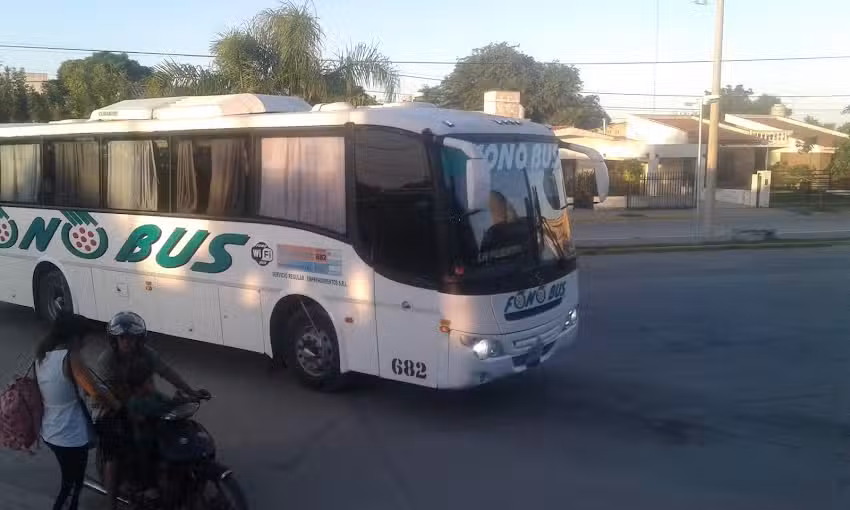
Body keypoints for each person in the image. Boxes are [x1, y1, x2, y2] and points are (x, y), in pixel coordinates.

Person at [96, 311, 208, 510]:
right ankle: (113, 501)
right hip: (110, 408)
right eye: (123, 338)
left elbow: (167, 372)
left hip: (140, 400)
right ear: (114, 340)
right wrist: (132, 407)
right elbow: (110, 392)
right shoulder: (107, 360)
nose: (127, 343)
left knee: (171, 422)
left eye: (132, 338)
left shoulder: (145, 353)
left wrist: (190, 391)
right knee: (124, 448)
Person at [35, 311, 121, 510]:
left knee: (70, 483)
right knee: (72, 486)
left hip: (51, 431)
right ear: (74, 337)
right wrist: (116, 405)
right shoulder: (70, 357)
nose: (84, 344)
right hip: (69, 434)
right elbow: (94, 391)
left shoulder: (42, 355)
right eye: (84, 338)